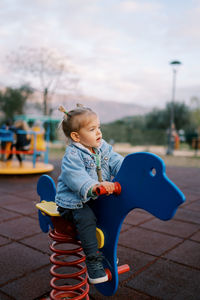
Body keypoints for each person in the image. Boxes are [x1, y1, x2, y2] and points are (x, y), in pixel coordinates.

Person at [55, 104, 124, 284]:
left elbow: (116, 161)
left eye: (99, 127)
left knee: (109, 215)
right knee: (86, 218)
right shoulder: (72, 155)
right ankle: (93, 263)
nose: (98, 132)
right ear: (76, 137)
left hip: (93, 199)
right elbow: (75, 177)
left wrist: (129, 171)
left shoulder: (103, 147)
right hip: (73, 203)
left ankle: (107, 254)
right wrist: (94, 186)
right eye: (92, 129)